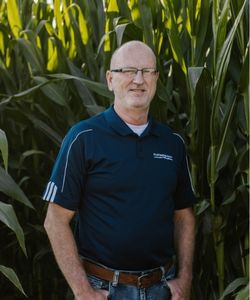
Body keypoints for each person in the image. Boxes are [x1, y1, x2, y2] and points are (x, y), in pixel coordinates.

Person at [43, 40, 196, 300]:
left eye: (147, 71)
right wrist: (82, 291)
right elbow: (55, 220)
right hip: (103, 289)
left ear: (156, 79)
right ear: (110, 79)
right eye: (128, 70)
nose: (139, 79)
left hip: (163, 288)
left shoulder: (172, 143)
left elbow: (184, 216)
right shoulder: (83, 138)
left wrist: (185, 278)